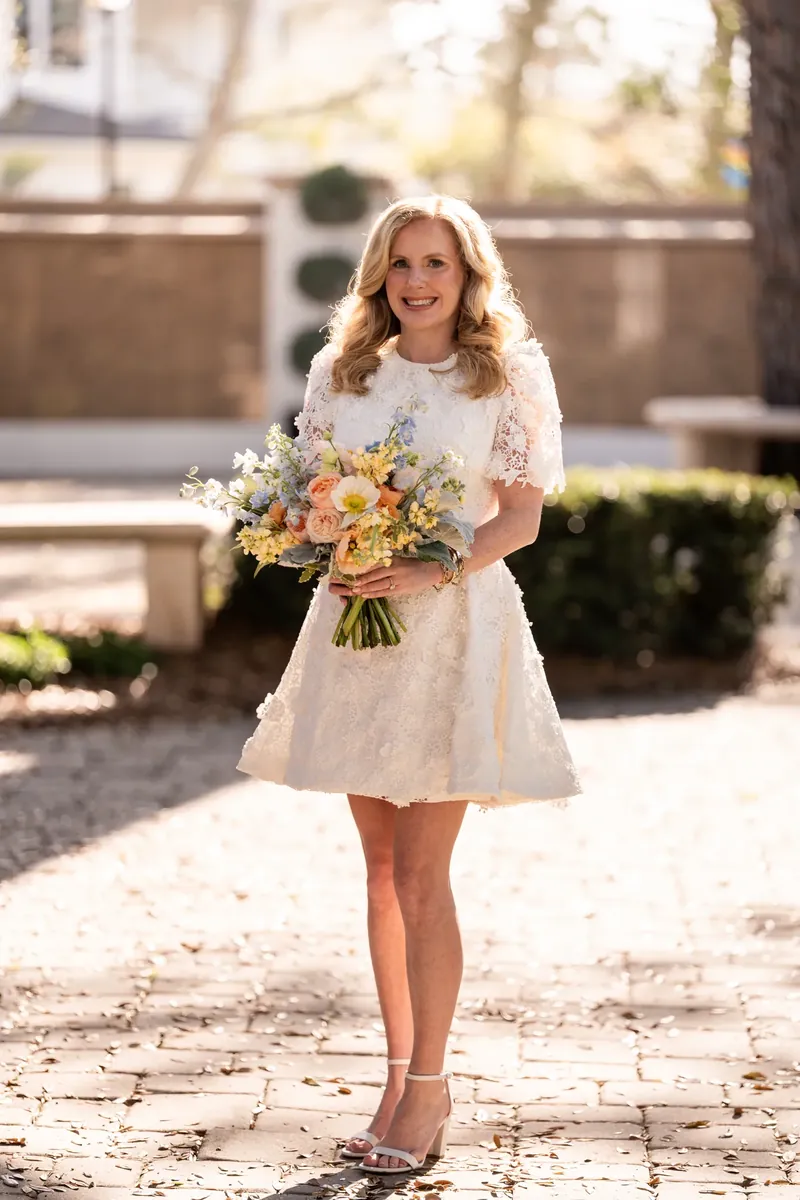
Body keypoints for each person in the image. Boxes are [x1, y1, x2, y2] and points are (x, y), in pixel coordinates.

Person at [238, 194, 582, 1175]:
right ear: (378, 276)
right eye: (401, 264)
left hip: (451, 630)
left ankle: (428, 1092)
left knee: (424, 879)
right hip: (354, 630)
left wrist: (422, 567)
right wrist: (319, 535)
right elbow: (307, 496)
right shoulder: (341, 372)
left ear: (468, 274)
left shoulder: (504, 375)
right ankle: (393, 1076)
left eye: (436, 263)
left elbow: (516, 520)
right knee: (381, 874)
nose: (418, 282)